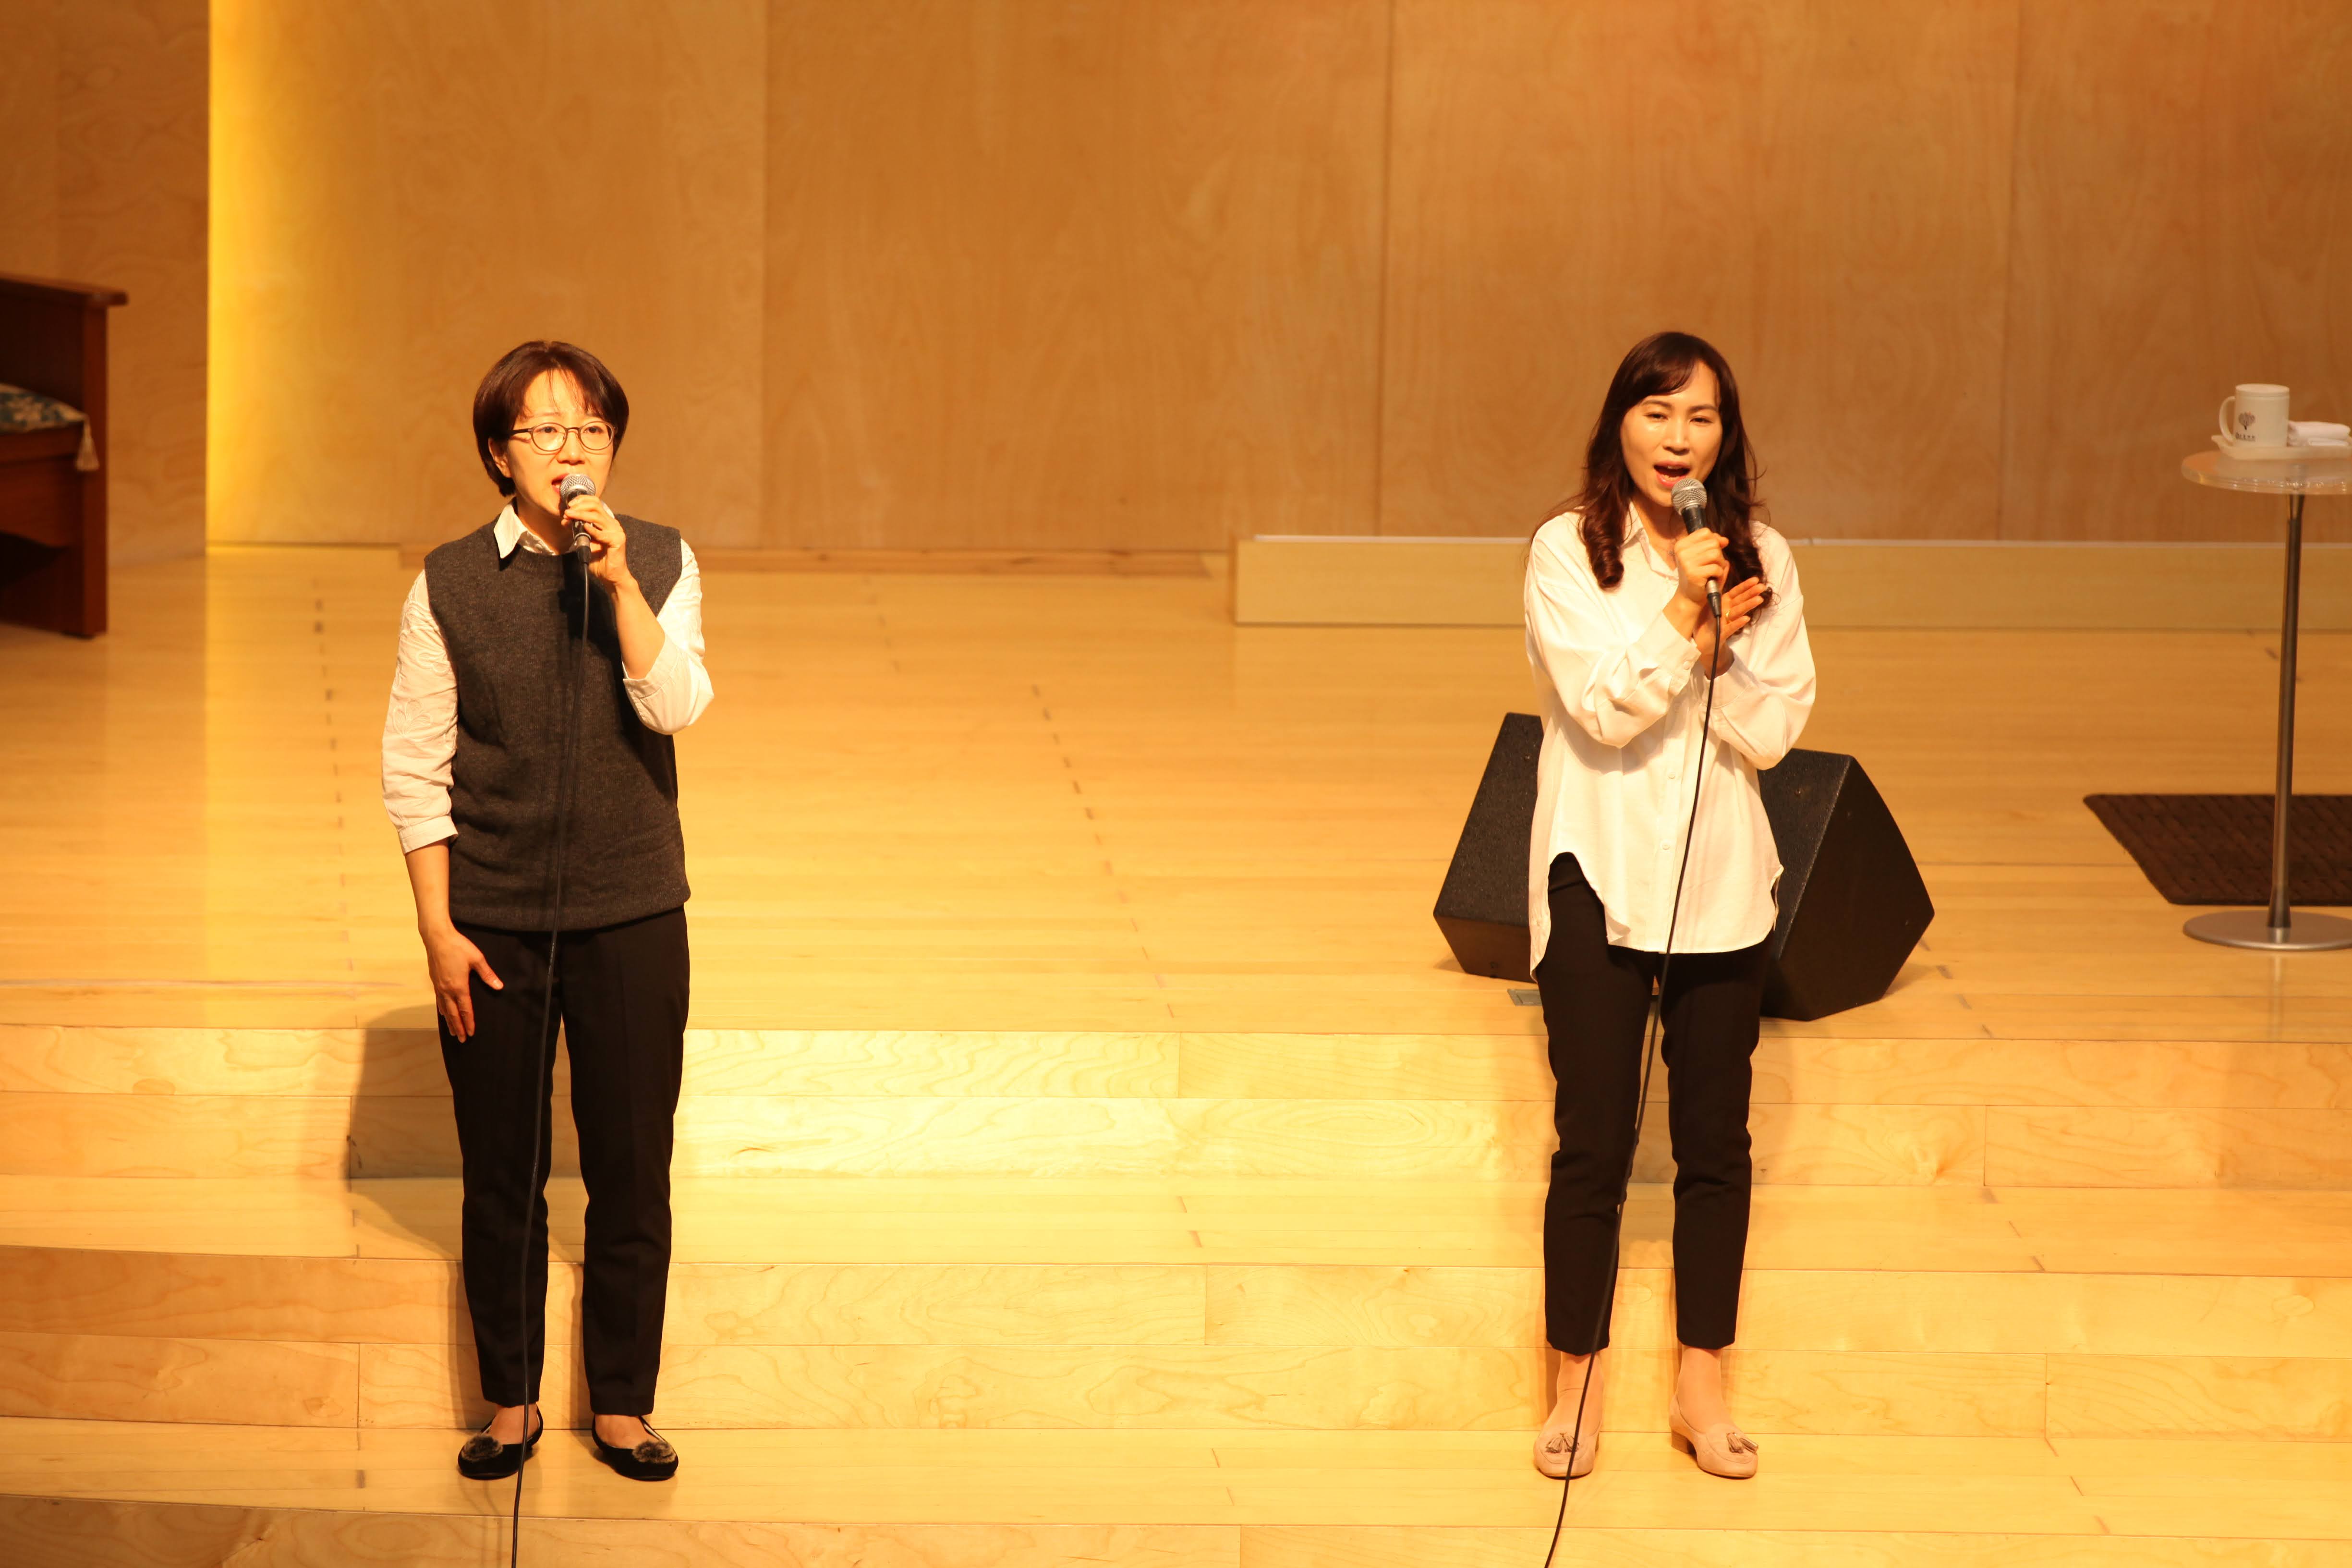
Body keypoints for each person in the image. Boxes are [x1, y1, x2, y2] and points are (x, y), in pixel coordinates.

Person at [380, 340, 714, 1483]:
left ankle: (622, 1403)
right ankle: (511, 1400)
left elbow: (676, 706)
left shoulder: (659, 557)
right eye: (546, 431)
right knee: (502, 1173)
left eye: (592, 431)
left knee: (632, 1166)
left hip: (633, 912)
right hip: (493, 920)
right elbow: (415, 767)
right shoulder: (447, 582)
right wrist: (439, 929)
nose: (573, 451)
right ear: (499, 453)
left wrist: (618, 584)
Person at [1522, 331, 1814, 1481]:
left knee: (1714, 1145)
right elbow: (1601, 709)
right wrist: (1687, 616)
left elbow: (1775, 727)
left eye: (1699, 418)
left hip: (1720, 885)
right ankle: (1576, 1377)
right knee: (1592, 1139)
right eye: (1657, 413)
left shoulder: (1763, 559)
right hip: (1594, 872)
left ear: (1724, 437)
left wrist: (1722, 649)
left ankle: (1702, 1381)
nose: (1677, 438)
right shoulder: (1566, 550)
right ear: (1620, 425)